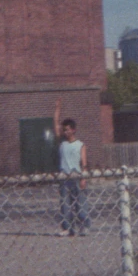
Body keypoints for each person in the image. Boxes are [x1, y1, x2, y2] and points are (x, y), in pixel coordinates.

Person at [54, 100, 91, 237]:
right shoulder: (62, 143)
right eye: (64, 130)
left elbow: (84, 162)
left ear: (73, 130)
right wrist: (57, 109)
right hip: (64, 177)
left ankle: (84, 226)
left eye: (67, 129)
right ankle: (67, 228)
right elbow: (56, 126)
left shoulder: (80, 145)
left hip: (76, 177)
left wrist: (83, 178)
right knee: (65, 205)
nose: (65, 131)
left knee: (80, 205)